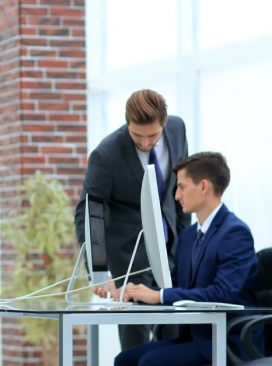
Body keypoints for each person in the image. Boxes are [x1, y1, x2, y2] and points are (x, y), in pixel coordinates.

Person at [114, 152, 259, 366]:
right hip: (193, 337)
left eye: (181, 187)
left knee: (150, 362)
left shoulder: (235, 233)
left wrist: (159, 296)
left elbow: (222, 294)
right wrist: (135, 293)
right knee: (125, 359)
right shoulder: (189, 235)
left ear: (203, 186)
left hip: (224, 341)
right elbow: (173, 284)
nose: (176, 196)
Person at [74, 89, 191, 349]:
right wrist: (100, 270)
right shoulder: (106, 154)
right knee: (135, 340)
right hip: (129, 259)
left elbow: (181, 192)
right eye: (137, 135)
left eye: (153, 135)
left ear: (165, 122)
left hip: (170, 248)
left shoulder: (177, 130)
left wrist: (186, 249)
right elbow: (90, 213)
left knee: (174, 335)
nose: (145, 143)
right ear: (127, 122)